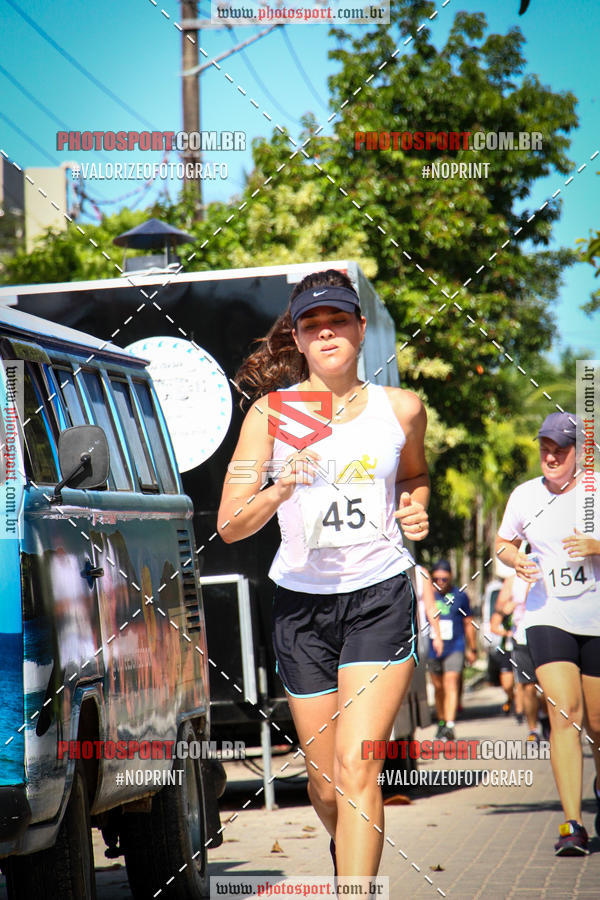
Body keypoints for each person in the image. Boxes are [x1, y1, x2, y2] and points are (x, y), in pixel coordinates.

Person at [217, 269, 430, 886]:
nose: (327, 332)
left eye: (338, 319)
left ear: (361, 329)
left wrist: (415, 506)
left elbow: (414, 476)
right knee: (328, 784)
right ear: (299, 338)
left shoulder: (402, 408)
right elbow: (229, 524)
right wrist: (280, 486)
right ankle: (349, 854)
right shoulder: (273, 415)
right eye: (312, 324)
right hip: (303, 605)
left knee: (359, 767)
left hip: (380, 595)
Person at [496, 411, 600, 856]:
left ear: (580, 453)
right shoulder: (525, 496)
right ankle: (572, 824)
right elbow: (503, 544)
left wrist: (597, 546)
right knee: (565, 715)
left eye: (561, 449)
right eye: (545, 448)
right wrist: (515, 559)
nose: (552, 456)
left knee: (597, 724)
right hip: (547, 615)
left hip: (595, 618)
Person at [426, 560, 477, 740]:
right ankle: (441, 721)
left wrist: (472, 648)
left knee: (451, 682)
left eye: (444, 579)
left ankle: (449, 724)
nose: (440, 582)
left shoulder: (460, 596)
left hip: (455, 646)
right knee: (438, 687)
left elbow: (468, 622)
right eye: (436, 579)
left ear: (451, 577)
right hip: (432, 648)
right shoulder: (429, 595)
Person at [490, 577, 518, 718]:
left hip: (523, 647)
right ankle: (511, 698)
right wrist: (507, 633)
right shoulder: (505, 607)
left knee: (523, 683)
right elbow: (493, 626)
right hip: (507, 648)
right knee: (507, 684)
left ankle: (520, 711)